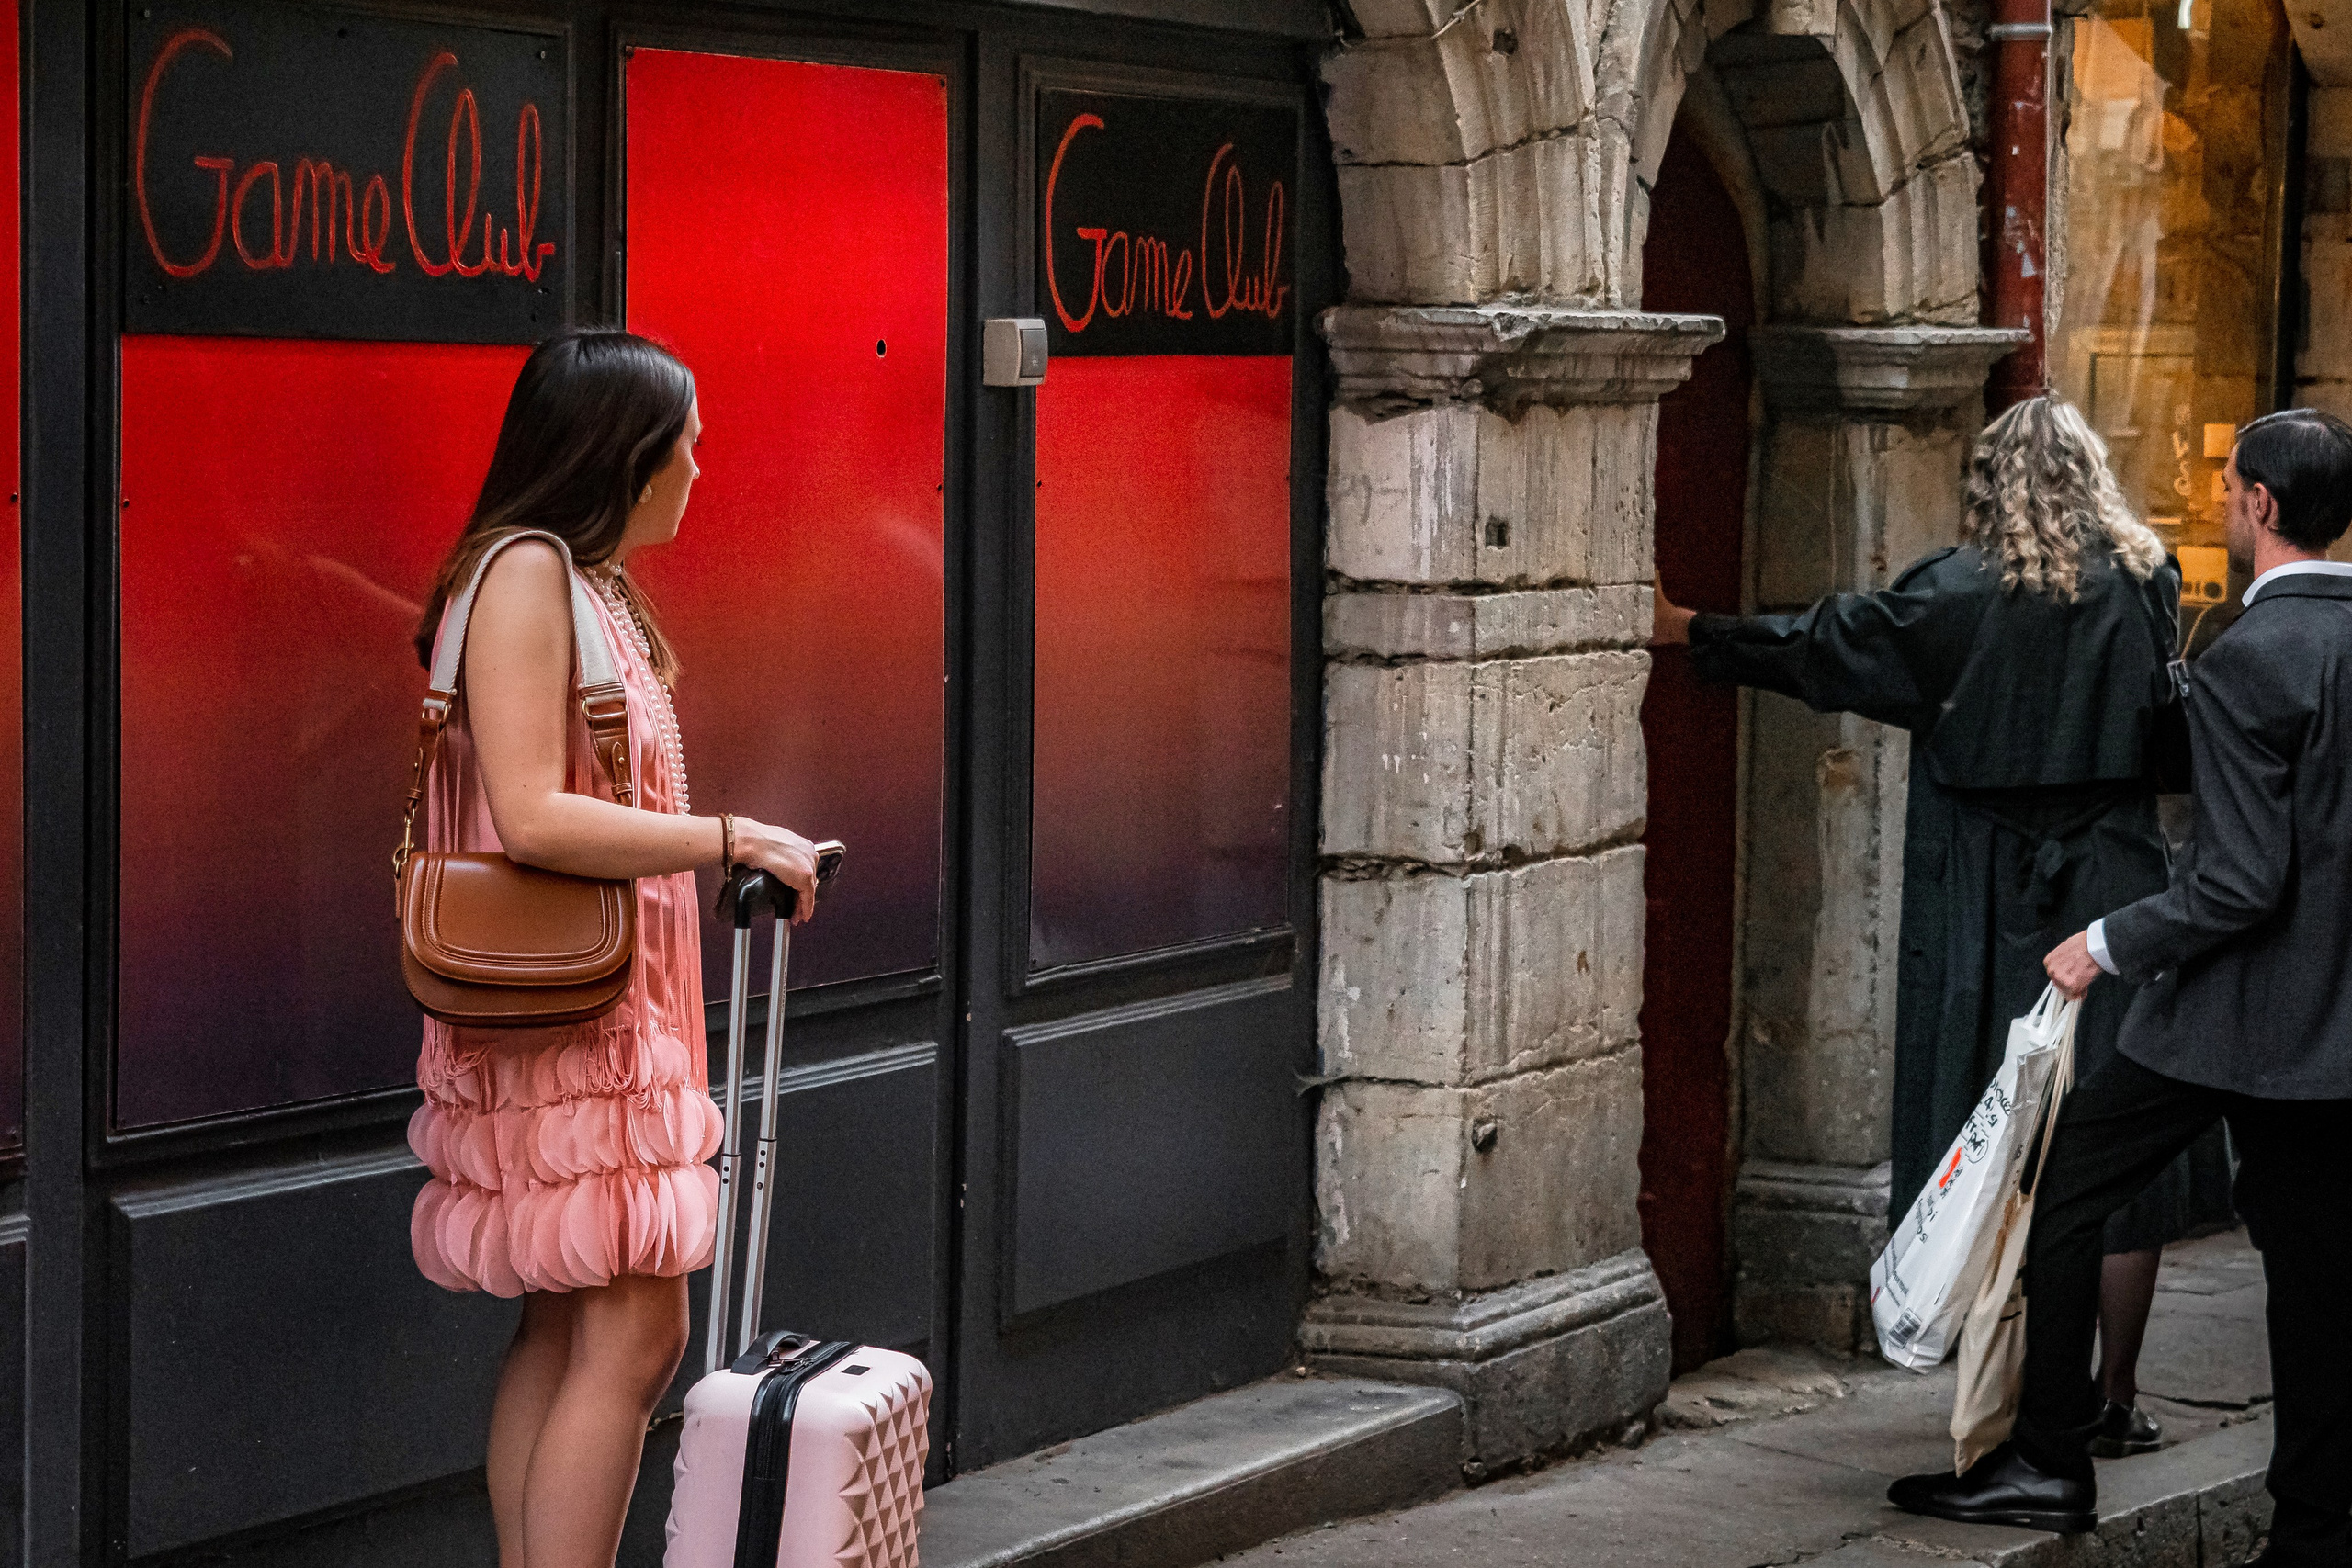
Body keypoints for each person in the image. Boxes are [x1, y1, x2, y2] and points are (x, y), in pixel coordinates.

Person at [1654, 395, 2232, 1448]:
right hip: (2109, 874)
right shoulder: (2145, 579)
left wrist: (1697, 632)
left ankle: (2004, 1386)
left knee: (1987, 1133)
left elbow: (1829, 643)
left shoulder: (1952, 594)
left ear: (1983, 486)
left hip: (1985, 886)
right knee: (2109, 1142)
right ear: (2091, 476)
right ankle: (2114, 1399)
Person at [1889, 407, 2352, 1565]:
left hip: (2225, 1013)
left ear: (2257, 504)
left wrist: (2105, 940)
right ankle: (2313, 1528)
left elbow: (2241, 878)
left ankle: (2049, 1460)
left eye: (2233, 487)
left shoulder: (2249, 653)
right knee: (2311, 1279)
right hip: (2332, 1026)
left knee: (2067, 1191)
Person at [404, 330, 825, 1568]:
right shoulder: (532, 569)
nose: (701, 461)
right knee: (635, 1330)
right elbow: (531, 810)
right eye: (683, 439)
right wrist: (726, 831)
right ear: (619, 454)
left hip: (601, 1003)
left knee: (570, 1321)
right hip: (579, 1016)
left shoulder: (566, 576)